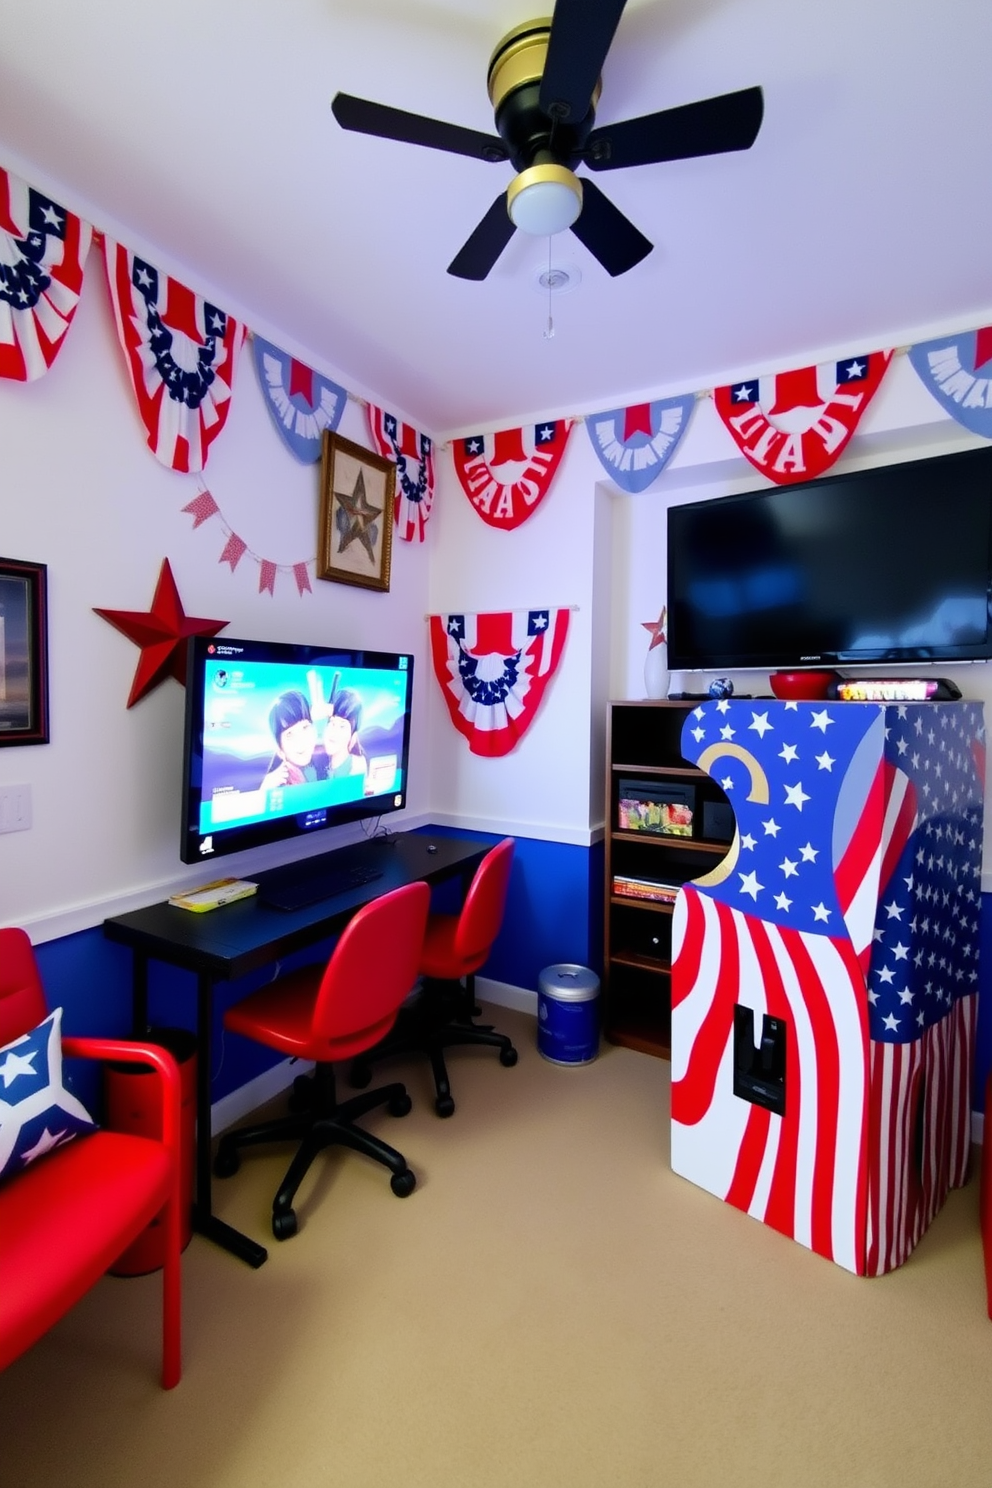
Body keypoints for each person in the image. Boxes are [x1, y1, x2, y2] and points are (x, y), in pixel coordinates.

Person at [260, 690, 329, 789]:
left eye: (305, 727)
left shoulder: (322, 759)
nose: (301, 740)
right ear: (280, 750)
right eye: (289, 734)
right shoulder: (278, 784)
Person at [323, 686, 367, 780]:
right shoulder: (319, 765)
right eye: (332, 722)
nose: (333, 731)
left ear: (353, 736)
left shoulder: (357, 766)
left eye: (342, 726)